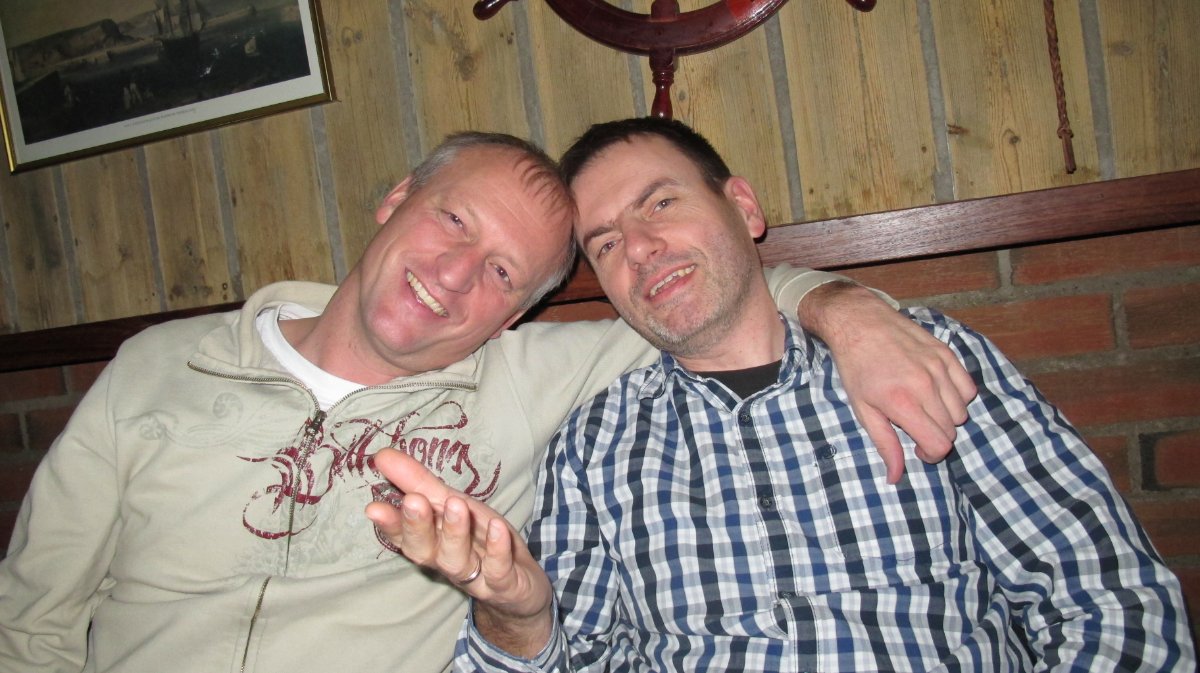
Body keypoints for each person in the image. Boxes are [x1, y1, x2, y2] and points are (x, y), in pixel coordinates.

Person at [0, 131, 975, 673]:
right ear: (395, 201)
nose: (455, 273)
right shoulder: (162, 366)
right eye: (452, 220)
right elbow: (31, 623)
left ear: (519, 313)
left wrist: (849, 311)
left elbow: (714, 295)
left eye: (504, 272)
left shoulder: (532, 378)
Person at [371, 118, 1196, 672]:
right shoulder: (595, 442)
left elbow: (1106, 598)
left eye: (662, 203)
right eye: (608, 242)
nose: (642, 247)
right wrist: (517, 614)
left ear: (743, 206)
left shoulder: (923, 357)